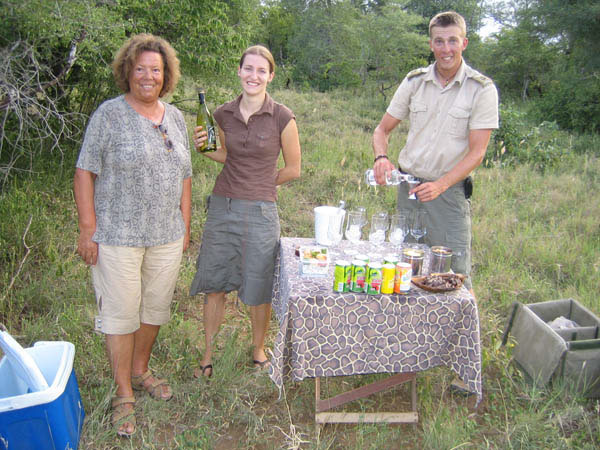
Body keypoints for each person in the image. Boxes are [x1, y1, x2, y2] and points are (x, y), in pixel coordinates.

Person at [74, 34, 192, 437]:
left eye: (155, 69)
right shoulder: (109, 115)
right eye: (140, 68)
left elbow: (185, 175)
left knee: (154, 309)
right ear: (127, 71)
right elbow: (84, 172)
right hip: (117, 234)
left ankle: (140, 370)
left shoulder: (175, 117)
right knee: (121, 314)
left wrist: (185, 225)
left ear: (166, 75)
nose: (148, 76)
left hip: (166, 235)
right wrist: (88, 229)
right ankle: (123, 391)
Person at [189, 45, 301, 378]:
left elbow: (293, 168)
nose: (254, 76)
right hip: (223, 207)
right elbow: (224, 154)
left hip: (263, 212)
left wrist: (263, 183)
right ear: (239, 71)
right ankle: (208, 354)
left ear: (271, 76)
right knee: (215, 282)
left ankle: (258, 349)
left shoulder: (282, 116)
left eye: (261, 70)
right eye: (248, 68)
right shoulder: (222, 113)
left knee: (259, 284)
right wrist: (204, 149)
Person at [372, 11, 498, 296]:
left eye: (453, 41)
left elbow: (477, 153)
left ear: (464, 43)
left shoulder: (481, 88)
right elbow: (381, 130)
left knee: (453, 276)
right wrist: (381, 158)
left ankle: (461, 326)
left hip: (448, 194)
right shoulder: (415, 81)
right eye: (439, 41)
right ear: (431, 44)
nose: (446, 49)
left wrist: (441, 185)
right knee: (407, 270)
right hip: (409, 190)